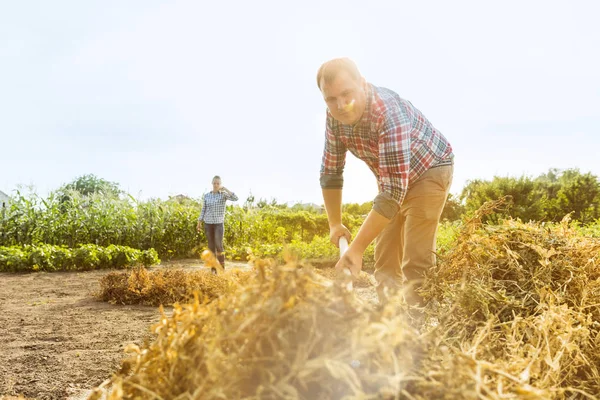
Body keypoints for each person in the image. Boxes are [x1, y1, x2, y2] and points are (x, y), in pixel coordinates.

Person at [318, 58, 454, 308]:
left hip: (429, 169)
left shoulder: (388, 112)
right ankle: (388, 324)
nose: (341, 105)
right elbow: (331, 172)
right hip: (391, 179)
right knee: (385, 259)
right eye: (331, 99)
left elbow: (393, 193)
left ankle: (416, 329)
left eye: (347, 93)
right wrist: (335, 224)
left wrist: (356, 249)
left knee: (415, 258)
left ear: (362, 83)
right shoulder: (334, 117)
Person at [196, 176, 238, 273]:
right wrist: (199, 222)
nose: (216, 185)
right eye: (214, 183)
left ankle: (222, 268)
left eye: (218, 183)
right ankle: (213, 269)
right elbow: (203, 209)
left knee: (219, 245)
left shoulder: (223, 195)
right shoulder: (207, 196)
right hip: (208, 224)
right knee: (211, 247)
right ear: (212, 183)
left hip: (219, 224)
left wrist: (226, 189)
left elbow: (235, 198)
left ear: (220, 184)